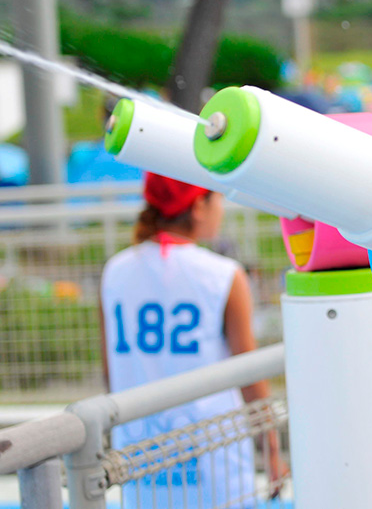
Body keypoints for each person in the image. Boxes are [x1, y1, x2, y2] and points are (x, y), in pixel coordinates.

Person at [99, 172, 285, 508]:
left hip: (140, 449)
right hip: (213, 450)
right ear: (198, 205)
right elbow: (251, 377)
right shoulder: (223, 275)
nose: (222, 208)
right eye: (217, 198)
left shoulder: (115, 271)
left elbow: (109, 372)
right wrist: (272, 449)